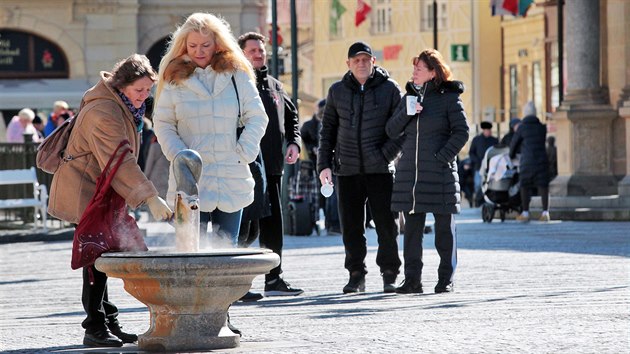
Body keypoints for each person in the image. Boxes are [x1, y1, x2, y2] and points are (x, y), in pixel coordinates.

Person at [47, 54, 173, 348]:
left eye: (148, 90)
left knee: (101, 256)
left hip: (103, 190)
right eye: (139, 90)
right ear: (122, 85)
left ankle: (107, 321)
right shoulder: (104, 111)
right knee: (95, 255)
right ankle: (94, 327)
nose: (144, 97)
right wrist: (151, 198)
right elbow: (120, 161)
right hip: (85, 190)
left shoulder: (124, 103)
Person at [318, 41, 403, 294]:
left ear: (373, 61)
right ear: (348, 64)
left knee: (387, 226)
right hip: (348, 170)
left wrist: (384, 155)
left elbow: (401, 130)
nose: (362, 63)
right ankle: (356, 275)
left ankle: (390, 273)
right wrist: (324, 165)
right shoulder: (336, 91)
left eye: (366, 59)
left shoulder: (390, 89)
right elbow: (328, 132)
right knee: (352, 228)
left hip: (381, 171)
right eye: (356, 60)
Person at [385, 49, 469, 294]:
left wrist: (442, 158)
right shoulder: (409, 97)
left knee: (444, 231)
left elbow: (462, 132)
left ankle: (446, 279)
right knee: (411, 232)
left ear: (433, 72)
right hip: (411, 176)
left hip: (440, 174)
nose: (414, 73)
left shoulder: (449, 98)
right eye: (414, 69)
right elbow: (391, 131)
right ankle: (412, 280)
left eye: (419, 68)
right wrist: (407, 112)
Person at [237, 31, 304, 297]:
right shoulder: (238, 83)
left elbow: (292, 119)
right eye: (252, 50)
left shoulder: (275, 85)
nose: (258, 54)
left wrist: (294, 143)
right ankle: (237, 284)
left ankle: (274, 278)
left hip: (274, 169)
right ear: (241, 53)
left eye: (261, 50)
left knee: (274, 228)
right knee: (246, 229)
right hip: (247, 169)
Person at [510, 101, 551, 222]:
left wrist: (511, 155)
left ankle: (526, 213)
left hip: (527, 161)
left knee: (524, 186)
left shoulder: (522, 128)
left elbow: (514, 144)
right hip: (542, 160)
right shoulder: (542, 127)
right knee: (543, 186)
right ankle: (545, 213)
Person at [469, 121, 498, 207]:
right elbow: (471, 153)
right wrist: (477, 161)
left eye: (489, 130)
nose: (489, 131)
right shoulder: (476, 140)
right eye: (487, 130)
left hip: (492, 168)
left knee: (490, 186)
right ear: (483, 130)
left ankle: (488, 203)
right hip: (479, 168)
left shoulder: (494, 140)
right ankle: (478, 202)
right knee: (478, 185)